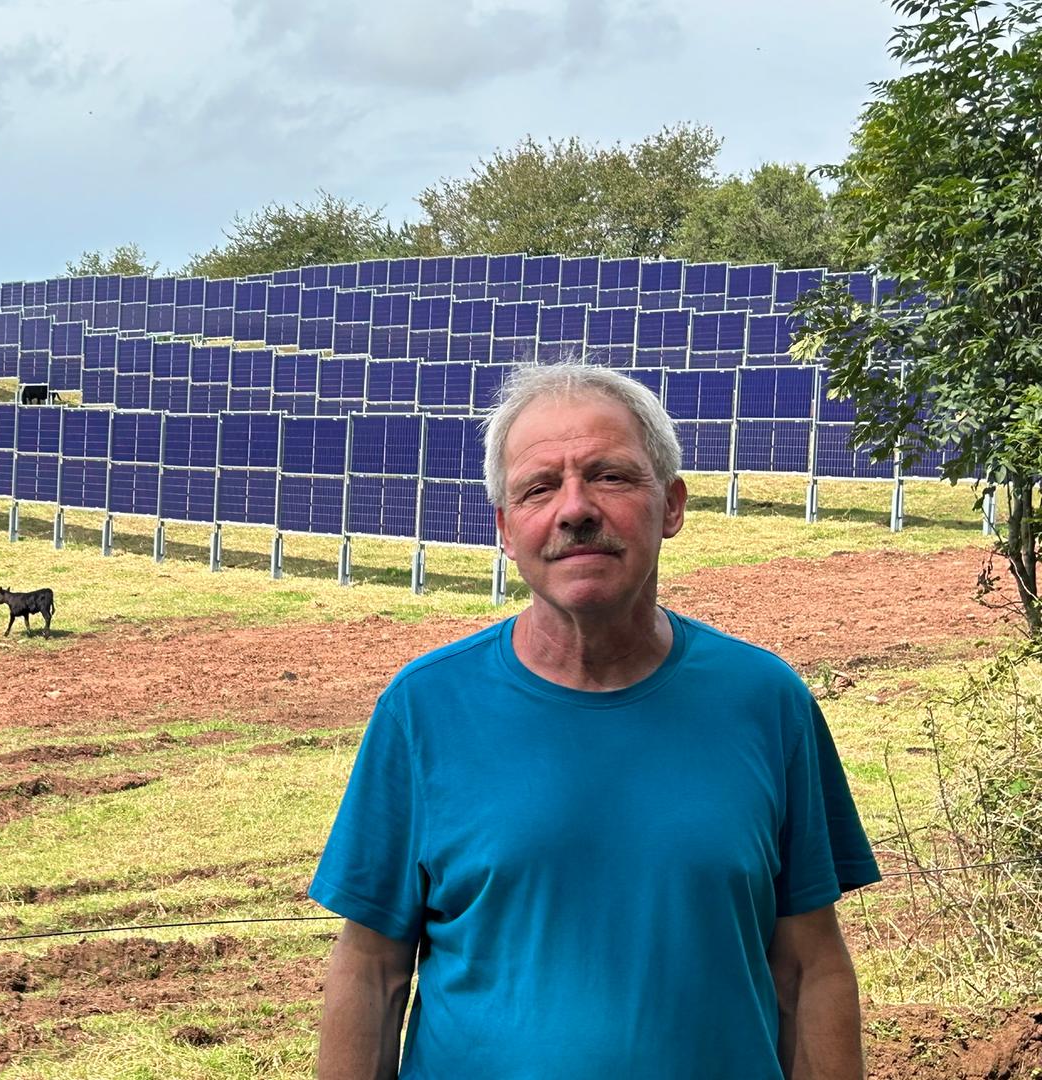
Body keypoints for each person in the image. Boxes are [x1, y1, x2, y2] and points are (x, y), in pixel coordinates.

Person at [310, 362, 880, 1079]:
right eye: (539, 488)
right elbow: (371, 971)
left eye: (609, 476)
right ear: (506, 530)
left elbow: (810, 967)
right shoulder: (423, 709)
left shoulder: (766, 700)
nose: (574, 509)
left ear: (671, 505)